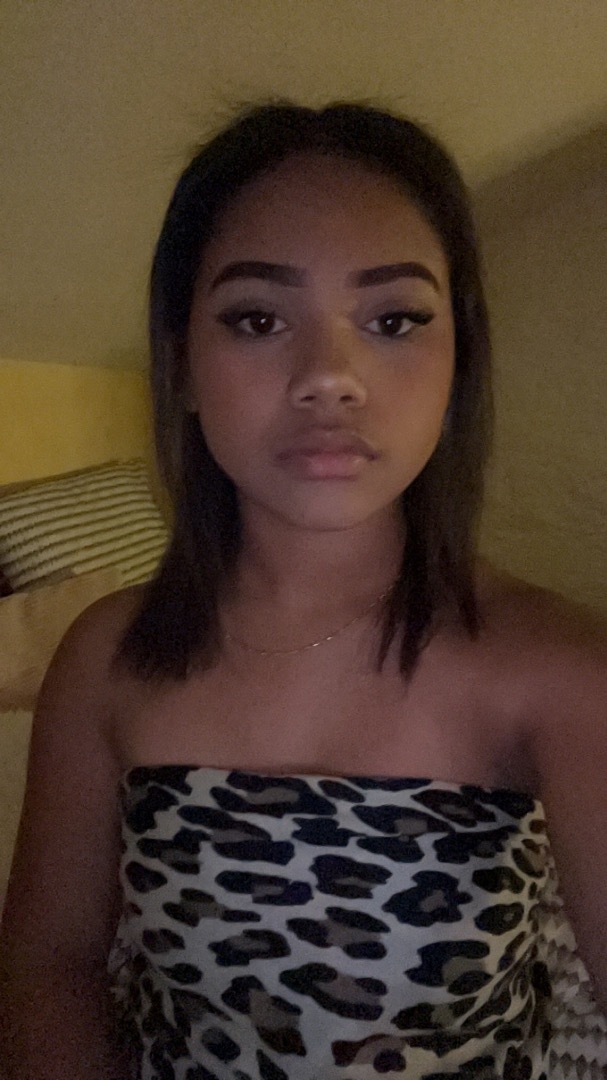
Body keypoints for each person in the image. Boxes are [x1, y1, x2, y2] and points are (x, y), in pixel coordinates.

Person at [1, 102, 606, 1080]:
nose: (330, 377)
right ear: (180, 365)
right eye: (257, 319)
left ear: (458, 360)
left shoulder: (560, 669)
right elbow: (48, 968)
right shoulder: (108, 656)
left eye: (394, 320)